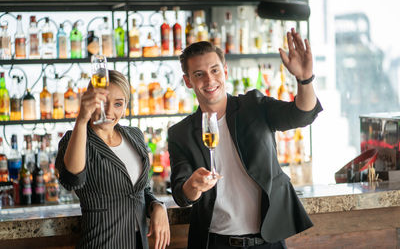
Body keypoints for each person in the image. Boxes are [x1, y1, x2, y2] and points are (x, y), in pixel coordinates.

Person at [168, 28, 323, 249]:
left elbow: (301, 115)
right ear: (188, 81)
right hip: (214, 243)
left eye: (215, 70)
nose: (209, 79)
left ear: (225, 72)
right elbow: (181, 194)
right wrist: (193, 185)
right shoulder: (180, 133)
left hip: (268, 241)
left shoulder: (254, 106)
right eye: (199, 74)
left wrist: (304, 79)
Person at [55, 70, 170, 249]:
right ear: (90, 101)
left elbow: (141, 190)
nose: (109, 111)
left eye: (118, 104)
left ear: (125, 106)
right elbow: (72, 180)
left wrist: (157, 206)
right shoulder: (76, 138)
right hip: (101, 243)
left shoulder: (135, 135)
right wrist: (82, 118)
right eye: (103, 102)